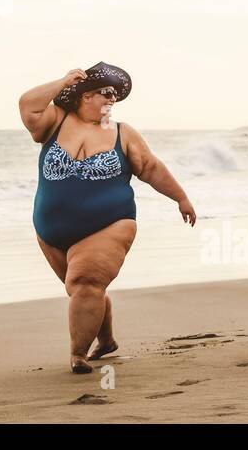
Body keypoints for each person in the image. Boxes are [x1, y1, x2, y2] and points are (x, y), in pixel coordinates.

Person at [18, 63, 197, 373]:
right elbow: (27, 106)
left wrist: (180, 197)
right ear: (84, 96)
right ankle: (107, 340)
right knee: (84, 291)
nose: (112, 99)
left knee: (86, 282)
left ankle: (78, 356)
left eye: (116, 95)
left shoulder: (122, 133)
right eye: (106, 93)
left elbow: (151, 168)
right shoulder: (55, 122)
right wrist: (63, 82)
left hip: (111, 223)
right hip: (50, 229)